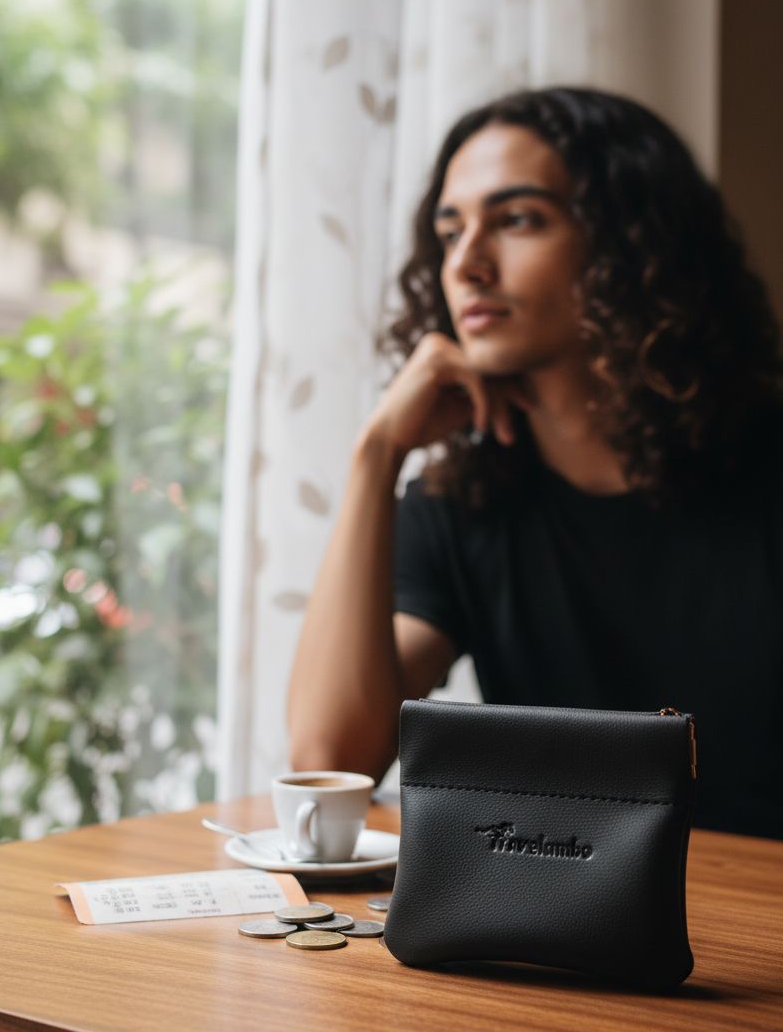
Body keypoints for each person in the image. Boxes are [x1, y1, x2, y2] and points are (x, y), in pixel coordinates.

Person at [287, 86, 783, 839]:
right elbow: (332, 761)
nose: (468, 265)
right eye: (450, 232)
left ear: (630, 242)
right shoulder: (465, 502)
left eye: (517, 220)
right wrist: (376, 455)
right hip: (566, 932)